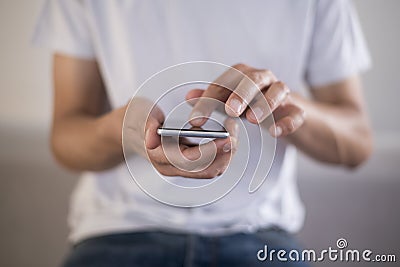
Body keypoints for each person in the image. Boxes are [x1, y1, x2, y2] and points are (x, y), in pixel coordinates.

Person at [33, 0, 372, 266]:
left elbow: (357, 143)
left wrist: (281, 102)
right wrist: (124, 130)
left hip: (261, 237)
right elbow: (65, 138)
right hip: (120, 231)